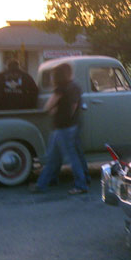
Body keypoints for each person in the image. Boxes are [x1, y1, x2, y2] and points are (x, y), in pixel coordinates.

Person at [31, 62, 88, 194]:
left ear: (58, 76)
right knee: (57, 156)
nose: (51, 79)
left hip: (63, 127)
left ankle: (81, 185)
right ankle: (44, 183)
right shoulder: (75, 86)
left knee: (68, 157)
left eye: (52, 76)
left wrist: (52, 111)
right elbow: (72, 105)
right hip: (70, 126)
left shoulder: (61, 89)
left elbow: (48, 106)